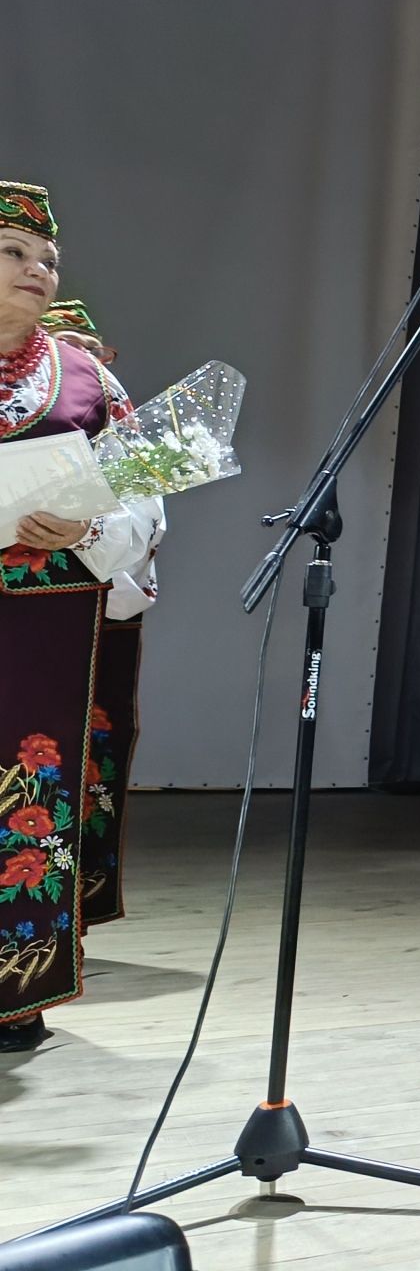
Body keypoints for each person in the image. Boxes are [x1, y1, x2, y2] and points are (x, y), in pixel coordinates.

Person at [0, 184, 160, 1054]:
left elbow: (145, 497)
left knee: (30, 793)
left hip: (43, 630)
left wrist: (90, 530)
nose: (37, 270)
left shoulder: (87, 377)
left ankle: (14, 992)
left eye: (48, 259)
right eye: (13, 252)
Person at [43, 300, 164, 927]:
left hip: (90, 598)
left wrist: (89, 535)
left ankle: (71, 907)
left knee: (88, 748)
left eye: (93, 349)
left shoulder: (100, 397)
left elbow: (142, 505)